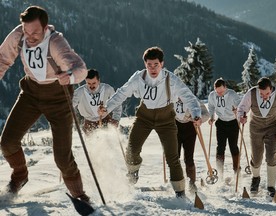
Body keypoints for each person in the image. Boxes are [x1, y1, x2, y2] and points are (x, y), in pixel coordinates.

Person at [0, 6, 90, 202]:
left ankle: (80, 196)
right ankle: (20, 175)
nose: (30, 37)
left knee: (62, 159)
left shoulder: (56, 43)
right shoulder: (19, 35)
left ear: (45, 27)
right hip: (31, 93)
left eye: (35, 32)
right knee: (7, 143)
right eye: (27, 31)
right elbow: (3, 58)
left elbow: (81, 69)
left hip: (58, 98)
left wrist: (70, 76)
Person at [98, 46, 202, 197]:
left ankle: (180, 193)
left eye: (156, 65)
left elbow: (188, 97)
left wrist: (196, 114)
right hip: (144, 117)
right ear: (145, 64)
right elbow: (122, 93)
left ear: (162, 64)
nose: (152, 68)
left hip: (166, 119)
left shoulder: (171, 79)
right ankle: (133, 173)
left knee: (172, 157)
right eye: (149, 65)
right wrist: (107, 109)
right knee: (132, 150)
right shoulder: (138, 78)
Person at [237, 77, 276, 197]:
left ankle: (271, 186)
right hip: (255, 127)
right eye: (262, 94)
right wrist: (241, 117)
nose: (264, 96)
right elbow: (241, 108)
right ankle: (255, 178)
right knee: (256, 157)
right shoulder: (252, 93)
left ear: (271, 88)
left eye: (267, 93)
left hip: (272, 127)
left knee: (271, 157)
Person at [207, 78, 242, 178]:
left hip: (233, 123)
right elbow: (211, 106)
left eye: (222, 91)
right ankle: (220, 171)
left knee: (233, 146)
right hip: (221, 123)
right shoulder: (212, 95)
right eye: (218, 92)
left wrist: (237, 110)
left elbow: (240, 104)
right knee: (220, 147)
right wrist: (211, 116)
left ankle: (236, 169)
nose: (220, 94)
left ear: (225, 88)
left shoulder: (232, 94)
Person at [174, 97, 209, 192]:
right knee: (174, 158)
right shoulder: (171, 97)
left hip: (190, 129)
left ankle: (192, 184)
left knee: (189, 158)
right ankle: (177, 182)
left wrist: (199, 119)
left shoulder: (192, 98)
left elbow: (206, 114)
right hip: (175, 128)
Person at [73, 69, 122, 135]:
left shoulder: (107, 89)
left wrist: (116, 119)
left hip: (106, 119)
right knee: (92, 144)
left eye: (94, 83)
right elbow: (70, 106)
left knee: (110, 142)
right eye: (89, 83)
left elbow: (116, 103)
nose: (91, 86)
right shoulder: (79, 92)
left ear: (99, 81)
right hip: (89, 122)